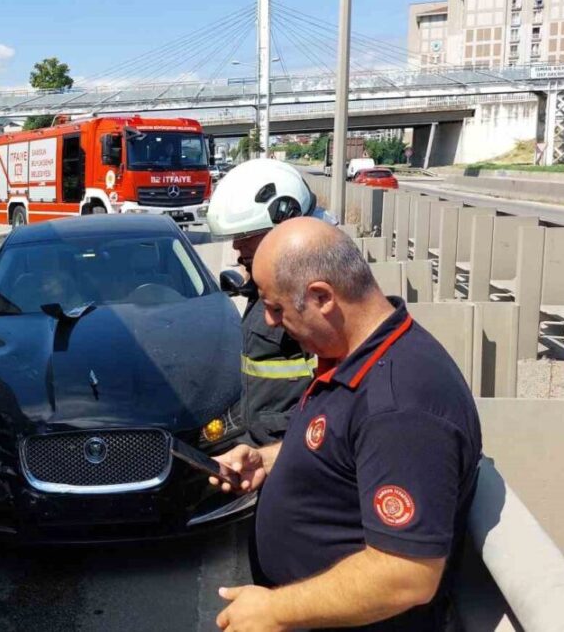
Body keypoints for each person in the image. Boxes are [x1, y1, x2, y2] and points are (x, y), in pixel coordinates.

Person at [210, 217, 482, 631]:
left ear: (322, 297)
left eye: (276, 307)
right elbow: (347, 447)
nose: (270, 321)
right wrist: (269, 459)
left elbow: (406, 575)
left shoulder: (400, 407)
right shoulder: (360, 355)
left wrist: (275, 610)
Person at [206, 159, 335, 446]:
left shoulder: (315, 298)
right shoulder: (270, 285)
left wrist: (289, 451)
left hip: (291, 447)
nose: (236, 245)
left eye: (245, 236)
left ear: (283, 225)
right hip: (261, 440)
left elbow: (335, 399)